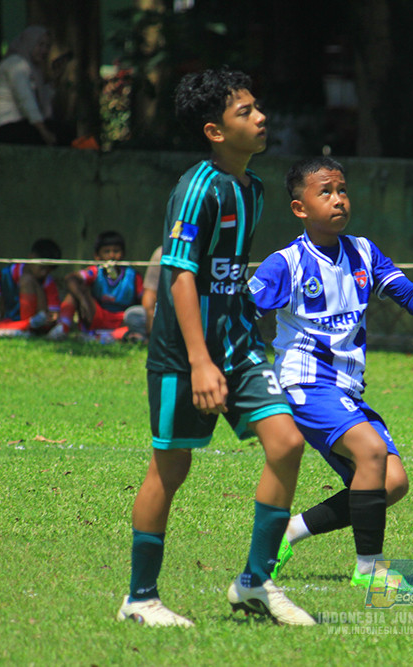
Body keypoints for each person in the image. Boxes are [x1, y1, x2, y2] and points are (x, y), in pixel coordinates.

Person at [116, 67, 314, 628]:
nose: (261, 117)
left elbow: (225, 274)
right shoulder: (197, 188)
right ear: (215, 131)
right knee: (170, 468)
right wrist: (200, 362)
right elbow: (180, 275)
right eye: (245, 112)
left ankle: (255, 581)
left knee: (287, 443)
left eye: (257, 107)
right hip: (185, 355)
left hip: (239, 346)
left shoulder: (252, 189)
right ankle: (140, 598)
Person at [248, 156, 413, 589]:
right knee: (371, 451)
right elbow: (241, 313)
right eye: (325, 192)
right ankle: (370, 571)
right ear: (300, 208)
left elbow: (405, 290)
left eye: (342, 190)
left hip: (346, 391)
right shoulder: (285, 264)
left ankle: (290, 531)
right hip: (305, 384)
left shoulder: (363, 252)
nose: (338, 200)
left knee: (392, 482)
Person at [0, 26, 71, 146]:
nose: (44, 50)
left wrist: (55, 79)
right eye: (40, 45)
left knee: (63, 130)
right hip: (2, 127)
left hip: (19, 125)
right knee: (60, 133)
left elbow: (42, 104)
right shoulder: (15, 64)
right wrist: (44, 131)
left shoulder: (33, 68)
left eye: (47, 46)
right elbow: (26, 100)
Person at [50, 230, 144, 342]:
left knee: (135, 328)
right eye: (107, 252)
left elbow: (143, 301)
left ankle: (102, 337)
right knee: (73, 293)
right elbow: (71, 278)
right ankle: (62, 328)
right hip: (98, 316)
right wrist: (82, 299)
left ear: (123, 253)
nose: (112, 256)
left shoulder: (133, 276)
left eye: (116, 251)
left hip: (122, 320)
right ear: (97, 256)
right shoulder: (95, 271)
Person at [0, 238, 62, 338]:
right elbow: (2, 302)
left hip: (39, 322)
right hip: (14, 322)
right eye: (42, 268)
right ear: (31, 257)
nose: (43, 273)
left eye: (48, 271)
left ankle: (28, 328)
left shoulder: (47, 281)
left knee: (26, 280)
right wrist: (2, 319)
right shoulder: (6, 274)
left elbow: (53, 313)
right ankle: (24, 327)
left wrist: (51, 318)